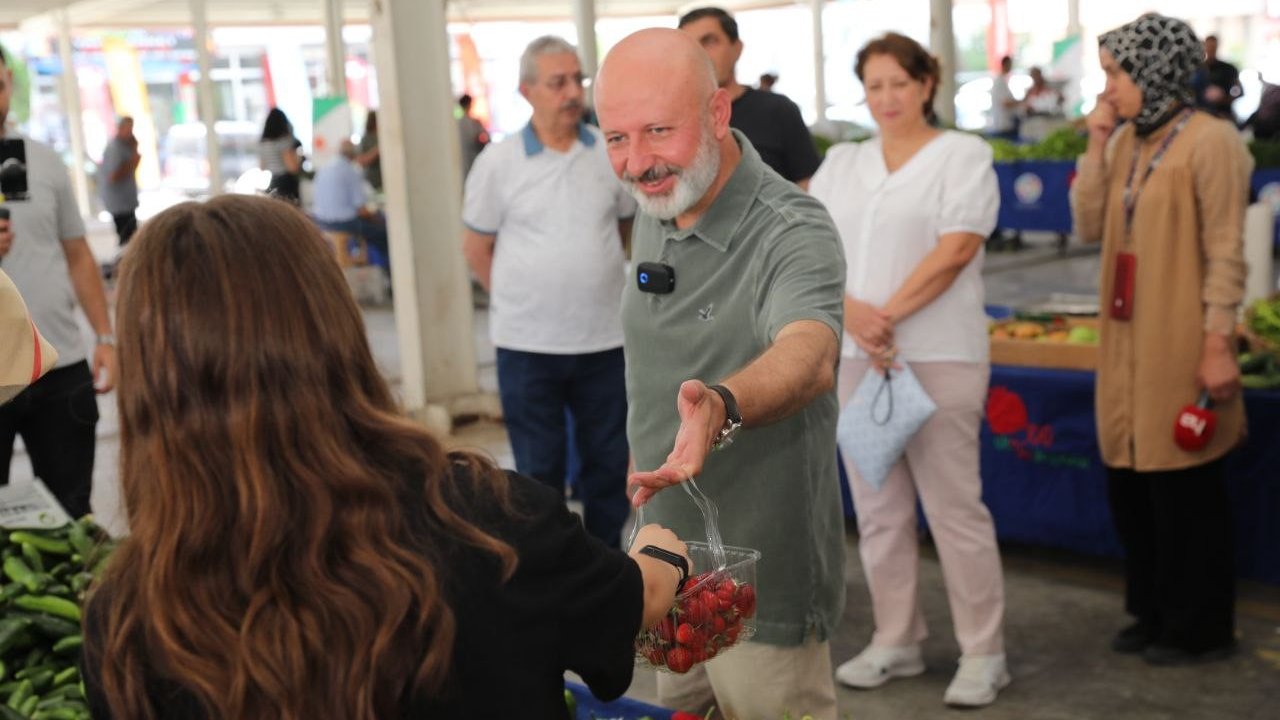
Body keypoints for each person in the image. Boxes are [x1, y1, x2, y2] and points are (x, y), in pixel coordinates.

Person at [79, 194, 691, 719]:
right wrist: (661, 552)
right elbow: (637, 602)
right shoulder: (491, 525)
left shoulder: (129, 620)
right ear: (332, 328)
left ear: (152, 383)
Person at [596, 28, 846, 719]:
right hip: (659, 564)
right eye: (615, 137)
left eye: (656, 130)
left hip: (758, 583)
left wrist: (723, 405)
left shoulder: (790, 229)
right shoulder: (666, 197)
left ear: (717, 114)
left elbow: (810, 352)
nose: (637, 162)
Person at [807, 32, 1010, 708]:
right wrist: (851, 314)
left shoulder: (964, 154)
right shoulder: (842, 163)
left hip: (939, 355)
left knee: (955, 510)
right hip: (860, 362)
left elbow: (956, 249)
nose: (887, 97)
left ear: (927, 84)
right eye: (875, 86)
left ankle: (985, 652)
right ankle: (897, 638)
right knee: (879, 513)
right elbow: (813, 248)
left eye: (900, 82)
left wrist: (882, 315)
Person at [1073, 14, 1246, 667]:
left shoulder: (1212, 142)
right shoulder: (1123, 143)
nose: (1108, 87)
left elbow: (1227, 251)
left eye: (1116, 73)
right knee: (1131, 477)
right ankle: (1151, 611)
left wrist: (1218, 340)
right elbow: (1089, 224)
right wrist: (1094, 145)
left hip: (1181, 336)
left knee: (1185, 483)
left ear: (1152, 70)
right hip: (1123, 341)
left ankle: (1200, 625)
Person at [462, 36, 635, 549]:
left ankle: (605, 564)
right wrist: (518, 300)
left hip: (603, 341)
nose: (572, 92)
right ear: (527, 90)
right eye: (558, 82)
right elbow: (476, 248)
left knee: (607, 465)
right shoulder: (499, 162)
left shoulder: (608, 151)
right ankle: (553, 576)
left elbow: (627, 232)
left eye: (577, 79)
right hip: (528, 347)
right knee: (538, 474)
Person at [0, 45, 115, 519]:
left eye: (0, 84)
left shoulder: (43, 161)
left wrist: (106, 337)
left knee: (73, 514)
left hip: (60, 368)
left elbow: (78, 254)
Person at [678, 7, 821, 188]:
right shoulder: (673, 118)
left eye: (710, 42)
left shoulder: (777, 110)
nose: (700, 53)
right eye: (691, 45)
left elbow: (808, 186)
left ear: (737, 48)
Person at [311, 139, 389, 263]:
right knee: (385, 233)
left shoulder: (324, 168)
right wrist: (377, 216)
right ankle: (388, 272)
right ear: (353, 155)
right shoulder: (350, 171)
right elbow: (362, 211)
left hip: (321, 222)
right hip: (343, 223)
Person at [99, 116, 140, 250]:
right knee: (126, 239)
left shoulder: (126, 145)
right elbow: (113, 176)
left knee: (133, 237)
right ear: (120, 128)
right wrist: (133, 161)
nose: (130, 132)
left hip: (127, 201)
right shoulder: (114, 148)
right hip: (119, 203)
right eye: (128, 128)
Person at [258, 107, 303, 205]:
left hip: (273, 182)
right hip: (286, 183)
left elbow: (262, 167)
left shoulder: (263, 143)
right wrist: (299, 159)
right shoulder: (284, 141)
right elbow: (292, 167)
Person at [1193, 35, 1242, 121]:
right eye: (1209, 47)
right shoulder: (1196, 69)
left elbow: (1238, 90)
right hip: (1200, 115)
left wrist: (1225, 99)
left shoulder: (1229, 69)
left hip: (1222, 115)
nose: (1211, 50)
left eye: (1213, 47)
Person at [457, 94, 489, 180]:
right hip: (472, 158)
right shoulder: (473, 122)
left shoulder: (456, 123)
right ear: (470, 104)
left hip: (465, 159)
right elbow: (484, 139)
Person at [988, 55, 1020, 140]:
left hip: (1006, 123)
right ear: (1005, 65)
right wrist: (1021, 101)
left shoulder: (1003, 81)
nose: (1010, 67)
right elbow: (1005, 103)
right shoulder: (999, 82)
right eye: (1009, 64)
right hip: (1002, 125)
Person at [356, 110, 381, 192]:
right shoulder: (366, 139)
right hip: (372, 183)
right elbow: (361, 161)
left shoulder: (382, 136)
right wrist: (376, 151)